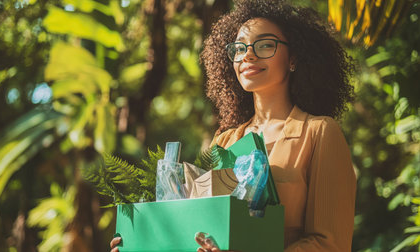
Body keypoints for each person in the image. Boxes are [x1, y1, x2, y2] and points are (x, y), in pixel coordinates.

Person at [111, 0, 356, 251]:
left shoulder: (320, 133)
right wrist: (142, 244)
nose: (248, 55)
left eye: (265, 45)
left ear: (293, 58)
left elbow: (330, 243)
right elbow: (203, 231)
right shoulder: (225, 142)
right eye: (239, 48)